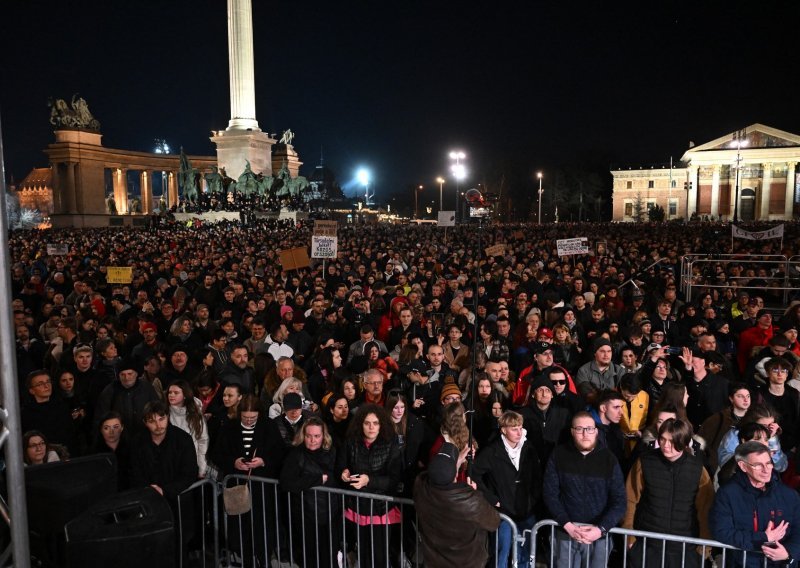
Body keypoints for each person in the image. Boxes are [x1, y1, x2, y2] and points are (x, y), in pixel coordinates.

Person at [623, 418, 714, 568]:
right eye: (663, 439)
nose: (666, 445)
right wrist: (630, 539)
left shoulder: (698, 469)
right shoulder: (645, 462)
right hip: (647, 546)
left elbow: (705, 510)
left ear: (684, 442)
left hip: (686, 549)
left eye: (672, 441)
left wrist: (703, 548)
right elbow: (630, 499)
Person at [543, 411, 627, 568]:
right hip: (564, 533)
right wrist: (567, 524)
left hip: (598, 537)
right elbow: (550, 494)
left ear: (596, 431)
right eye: (579, 429)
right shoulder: (558, 455)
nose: (585, 434)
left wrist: (601, 529)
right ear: (572, 432)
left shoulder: (609, 459)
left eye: (589, 429)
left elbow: (620, 500)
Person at [711, 441, 800, 567]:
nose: (766, 470)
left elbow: (798, 531)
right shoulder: (727, 494)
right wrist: (763, 537)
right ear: (743, 466)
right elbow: (721, 531)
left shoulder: (789, 495)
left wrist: (789, 554)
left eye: (768, 463)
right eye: (758, 465)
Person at [414, 441, 501, 568]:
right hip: (468, 562)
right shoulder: (469, 500)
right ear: (454, 473)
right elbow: (494, 521)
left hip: (435, 561)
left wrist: (457, 462)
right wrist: (473, 492)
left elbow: (432, 475)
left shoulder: (421, 489)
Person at [473, 410, 542, 568]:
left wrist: (532, 498)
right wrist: (492, 499)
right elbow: (475, 474)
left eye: (520, 427)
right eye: (514, 428)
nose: (519, 432)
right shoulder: (492, 451)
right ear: (503, 430)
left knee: (526, 553)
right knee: (501, 553)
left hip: (526, 510)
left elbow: (538, 477)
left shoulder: (529, 448)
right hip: (502, 513)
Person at [338, 404, 403, 567]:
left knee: (380, 556)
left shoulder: (391, 443)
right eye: (367, 423)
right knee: (364, 553)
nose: (371, 427)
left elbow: (394, 479)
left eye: (375, 423)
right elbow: (341, 464)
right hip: (358, 506)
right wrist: (343, 472)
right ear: (361, 424)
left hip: (380, 508)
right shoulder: (351, 442)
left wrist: (369, 480)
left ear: (381, 425)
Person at [279, 417, 341, 568]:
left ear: (323, 436)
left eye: (316, 436)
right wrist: (318, 479)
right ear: (303, 435)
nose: (312, 440)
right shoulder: (296, 454)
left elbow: (337, 478)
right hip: (305, 514)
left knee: (329, 554)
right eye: (308, 436)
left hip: (330, 513)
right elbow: (286, 482)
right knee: (309, 555)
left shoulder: (331, 452)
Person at [129, 400, 199, 522]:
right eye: (152, 421)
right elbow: (133, 471)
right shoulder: (137, 442)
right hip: (146, 502)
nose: (158, 425)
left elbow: (190, 472)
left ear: (168, 417)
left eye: (161, 419)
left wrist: (165, 490)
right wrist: (149, 490)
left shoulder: (183, 439)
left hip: (178, 500)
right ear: (145, 422)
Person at [167, 380, 209, 478]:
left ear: (185, 395)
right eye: (170, 392)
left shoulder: (196, 415)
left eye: (176, 393)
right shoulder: (164, 413)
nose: (171, 395)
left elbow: (202, 440)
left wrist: (202, 466)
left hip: (190, 463)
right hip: (170, 463)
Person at [93, 412, 131, 489]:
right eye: (106, 428)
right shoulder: (93, 453)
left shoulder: (132, 449)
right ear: (101, 429)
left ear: (122, 428)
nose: (111, 432)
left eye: (116, 427)